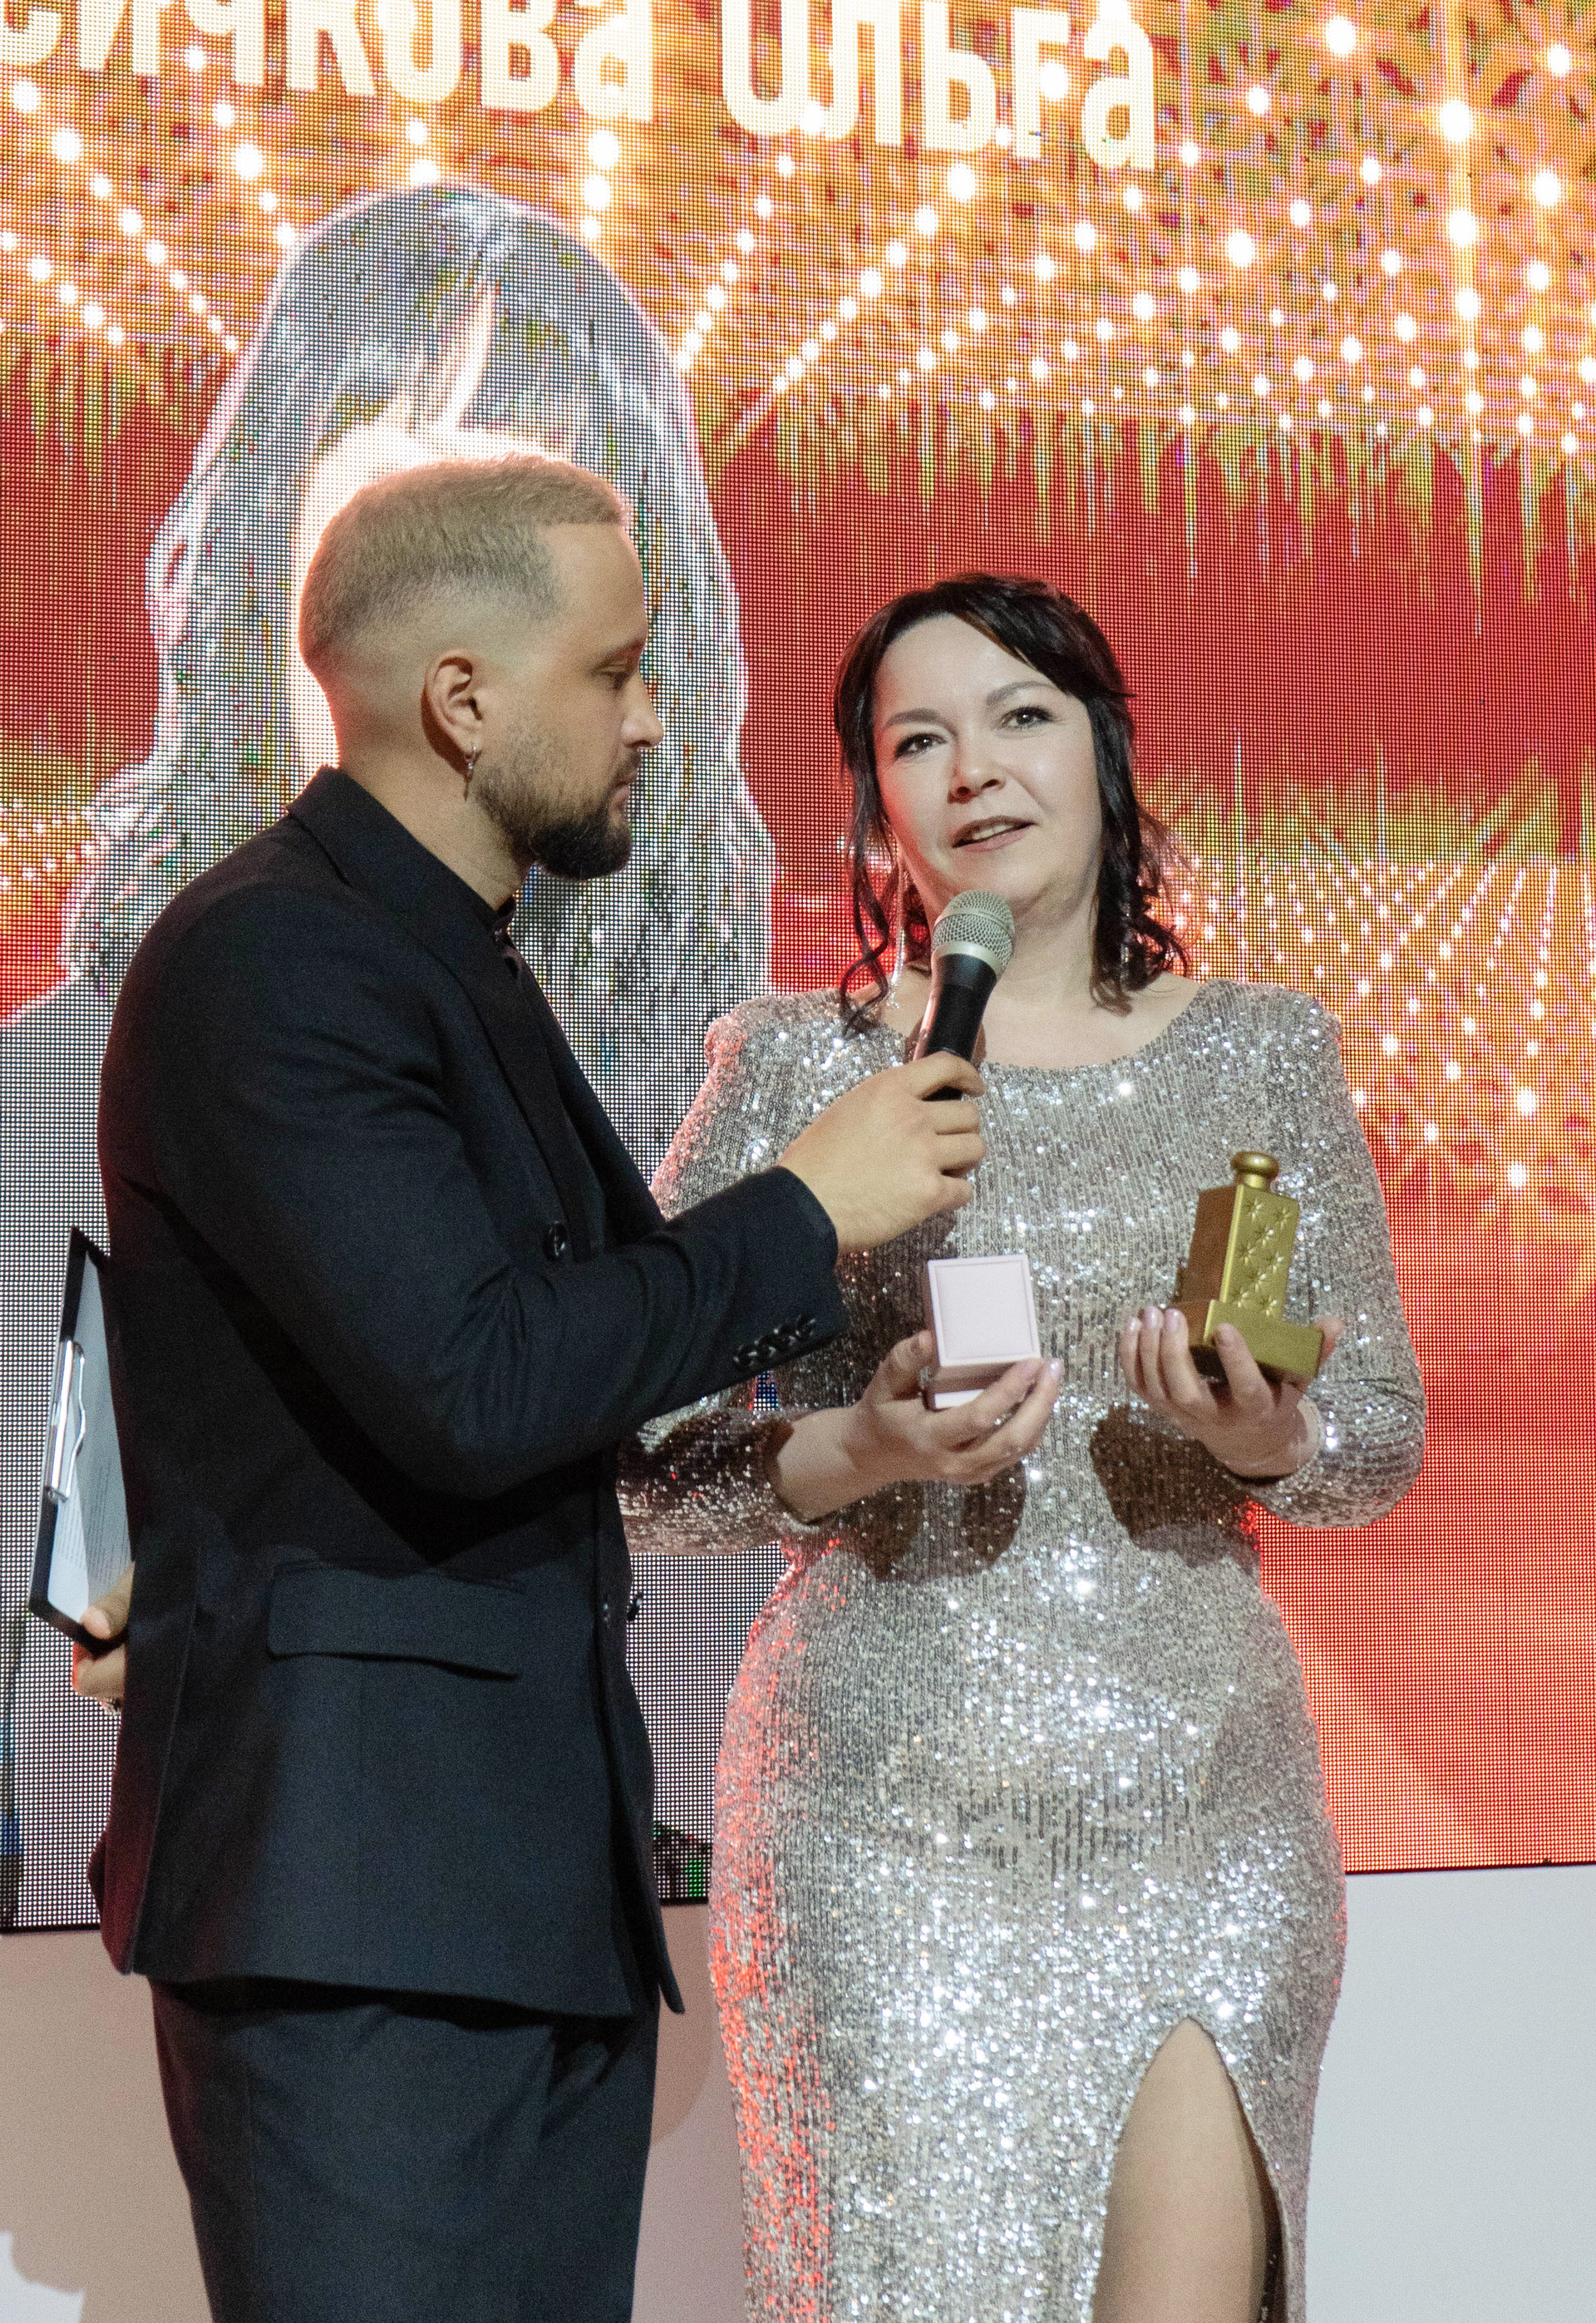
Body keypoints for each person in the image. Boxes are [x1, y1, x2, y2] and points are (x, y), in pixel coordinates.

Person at [66, 459, 988, 2323]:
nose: (652, 719)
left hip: (508, 1900)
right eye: (617, 670)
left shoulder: (446, 954)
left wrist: (845, 1432)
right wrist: (808, 1204)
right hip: (362, 1911)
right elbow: (478, 1378)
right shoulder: (276, 959)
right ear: (463, 699)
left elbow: (554, 1373)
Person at [622, 573, 1425, 2321]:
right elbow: (640, 1460)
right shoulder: (794, 1069)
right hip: (882, 1825)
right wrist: (864, 1444)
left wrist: (1268, 1434)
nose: (975, 767)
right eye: (920, 738)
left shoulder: (1261, 1055)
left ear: (1107, 753)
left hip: (1204, 1812)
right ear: (879, 805)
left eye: (1022, 716)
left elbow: (1376, 1438)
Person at [1, 181, 761, 1932]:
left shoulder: (719, 1072)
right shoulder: (66, 1088)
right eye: (408, 552)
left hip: (639, 1932)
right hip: (308, 1906)